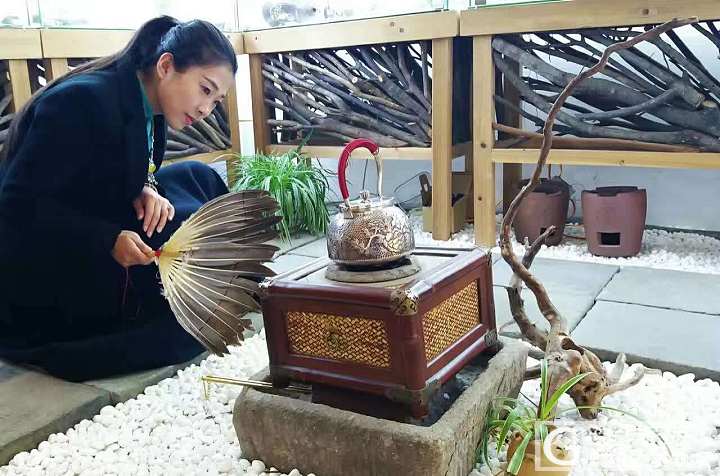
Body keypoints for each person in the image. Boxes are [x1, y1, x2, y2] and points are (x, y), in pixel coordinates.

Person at [0, 16, 237, 381]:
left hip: (100, 220)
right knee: (181, 308)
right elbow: (17, 205)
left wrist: (146, 188)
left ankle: (220, 271)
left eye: (216, 100)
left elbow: (104, 168)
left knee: (198, 177)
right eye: (206, 90)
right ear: (166, 65)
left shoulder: (149, 107)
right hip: (52, 264)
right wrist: (107, 240)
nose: (207, 109)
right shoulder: (80, 102)